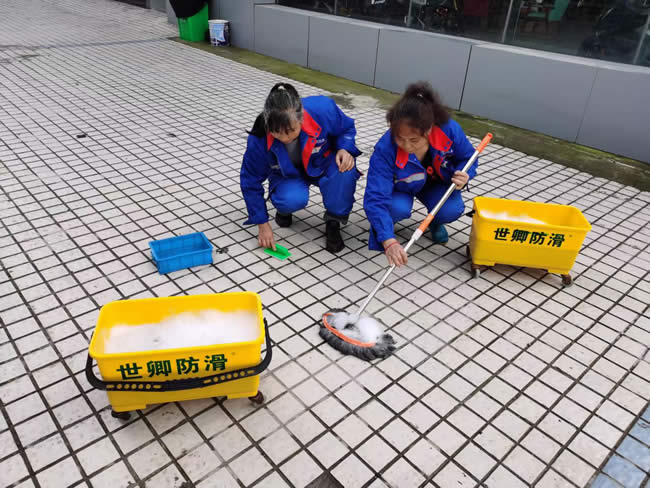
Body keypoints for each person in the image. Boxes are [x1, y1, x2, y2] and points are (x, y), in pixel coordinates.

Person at [363, 81, 478, 267]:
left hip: (436, 184)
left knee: (451, 209)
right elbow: (375, 197)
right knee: (395, 208)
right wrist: (388, 240)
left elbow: (468, 157)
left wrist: (465, 175)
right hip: (402, 188)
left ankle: (434, 221)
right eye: (400, 138)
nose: (406, 146)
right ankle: (385, 228)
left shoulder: (450, 130)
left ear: (429, 130)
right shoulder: (385, 148)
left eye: (414, 140)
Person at [241, 83, 361, 253]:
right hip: (287, 174)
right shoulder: (258, 139)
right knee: (290, 199)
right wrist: (262, 223)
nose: (285, 138)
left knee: (346, 170)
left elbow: (346, 128)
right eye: (277, 133)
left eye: (291, 131)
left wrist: (345, 148)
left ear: (301, 117)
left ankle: (334, 220)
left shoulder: (323, 109)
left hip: (322, 163)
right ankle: (284, 210)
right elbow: (250, 181)